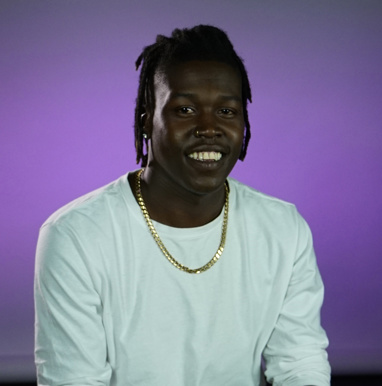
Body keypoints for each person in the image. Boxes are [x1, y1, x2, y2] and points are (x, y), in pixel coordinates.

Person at [34, 25, 331, 385]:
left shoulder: (283, 228)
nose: (209, 127)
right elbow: (73, 379)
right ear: (148, 120)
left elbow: (301, 364)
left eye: (226, 111)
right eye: (185, 109)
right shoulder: (76, 235)